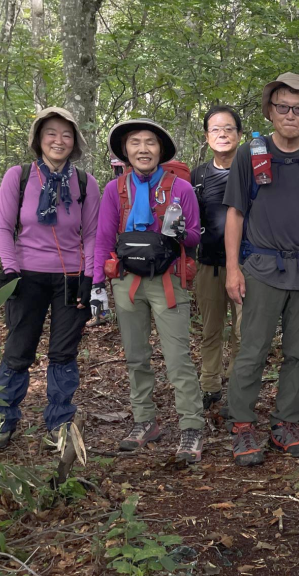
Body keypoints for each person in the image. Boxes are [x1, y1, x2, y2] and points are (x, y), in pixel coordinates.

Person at [223, 73, 299, 466]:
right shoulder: (250, 154)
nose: (291, 115)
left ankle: (285, 423)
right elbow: (235, 213)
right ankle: (242, 425)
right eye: (283, 107)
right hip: (261, 265)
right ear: (270, 111)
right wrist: (232, 269)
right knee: (253, 349)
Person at [92, 118, 205, 463]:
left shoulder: (180, 189)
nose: (143, 149)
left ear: (161, 150)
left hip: (168, 280)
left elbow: (195, 238)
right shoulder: (115, 190)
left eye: (150, 143)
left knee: (177, 358)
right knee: (136, 356)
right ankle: (144, 422)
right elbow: (104, 237)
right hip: (127, 280)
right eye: (135, 143)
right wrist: (97, 282)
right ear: (125, 151)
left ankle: (191, 427)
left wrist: (182, 232)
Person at [0, 107, 100, 450]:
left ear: (75, 143)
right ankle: (3, 421)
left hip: (70, 277)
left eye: (66, 135)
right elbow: (3, 227)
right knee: (19, 349)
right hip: (26, 275)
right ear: (39, 139)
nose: (59, 140)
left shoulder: (85, 182)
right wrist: (10, 270)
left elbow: (93, 234)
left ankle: (60, 423)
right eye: (51, 133)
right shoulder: (18, 176)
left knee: (63, 353)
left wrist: (89, 276)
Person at [191, 105, 244, 411]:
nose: (222, 134)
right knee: (211, 328)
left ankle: (238, 387)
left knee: (243, 331)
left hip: (247, 265)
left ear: (239, 134)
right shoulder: (198, 174)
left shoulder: (252, 170)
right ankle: (209, 384)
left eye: (228, 129)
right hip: (209, 263)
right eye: (215, 129)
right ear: (207, 136)